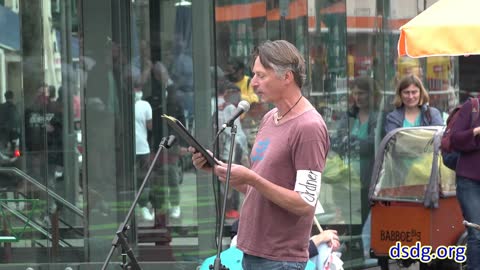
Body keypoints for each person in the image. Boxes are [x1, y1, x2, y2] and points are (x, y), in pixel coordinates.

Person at [190, 40, 330, 269]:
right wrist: (217, 168)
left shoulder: (309, 127)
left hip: (280, 259)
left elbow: (305, 202)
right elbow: (259, 189)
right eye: (253, 75)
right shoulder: (270, 118)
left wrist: (251, 177)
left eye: (261, 76)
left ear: (287, 77)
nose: (253, 83)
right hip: (252, 252)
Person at [450, 98, 480, 270]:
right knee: (477, 233)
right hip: (470, 182)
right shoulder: (472, 106)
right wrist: (476, 131)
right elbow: (455, 139)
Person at [216, 79, 249, 219]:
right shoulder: (229, 108)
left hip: (226, 149)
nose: (239, 98)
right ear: (228, 93)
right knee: (229, 182)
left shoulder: (220, 106)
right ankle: (227, 210)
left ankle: (227, 209)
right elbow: (237, 134)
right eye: (236, 95)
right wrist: (245, 152)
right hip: (230, 150)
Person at [133, 81, 154, 221]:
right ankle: (139, 207)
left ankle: (143, 206)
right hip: (133, 149)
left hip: (143, 148)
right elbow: (150, 125)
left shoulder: (145, 105)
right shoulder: (124, 104)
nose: (137, 90)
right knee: (132, 180)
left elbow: (150, 125)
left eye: (138, 87)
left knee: (144, 179)